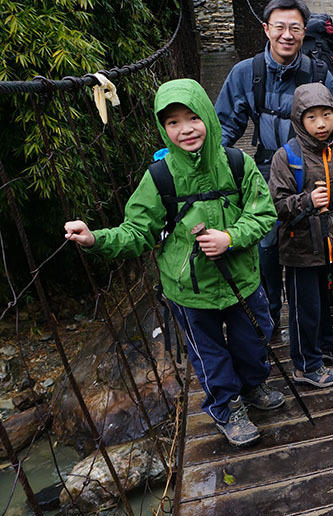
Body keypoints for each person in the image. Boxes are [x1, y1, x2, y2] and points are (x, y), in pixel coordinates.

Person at [64, 79, 282, 447]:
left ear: (209, 117)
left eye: (193, 117)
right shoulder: (159, 177)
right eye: (173, 123)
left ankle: (253, 385)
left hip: (242, 278)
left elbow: (264, 213)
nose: (185, 130)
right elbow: (137, 231)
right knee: (209, 353)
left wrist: (230, 238)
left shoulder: (237, 163)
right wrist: (95, 239)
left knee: (255, 337)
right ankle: (228, 407)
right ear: (163, 128)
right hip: (188, 290)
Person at [216, 0, 333, 330]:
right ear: (266, 29)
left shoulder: (319, 73)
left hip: (314, 171)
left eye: (295, 28)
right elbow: (223, 129)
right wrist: (205, 171)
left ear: (304, 33)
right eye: (280, 27)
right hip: (268, 170)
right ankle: (269, 315)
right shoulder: (246, 73)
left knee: (320, 243)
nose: (287, 35)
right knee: (267, 242)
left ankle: (327, 317)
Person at [268, 83, 333, 387]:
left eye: (327, 115)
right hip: (299, 247)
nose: (321, 124)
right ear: (299, 120)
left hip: (330, 242)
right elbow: (276, 206)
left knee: (330, 300)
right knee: (305, 309)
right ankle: (305, 365)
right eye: (311, 118)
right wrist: (306, 202)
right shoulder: (286, 158)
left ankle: (326, 346)